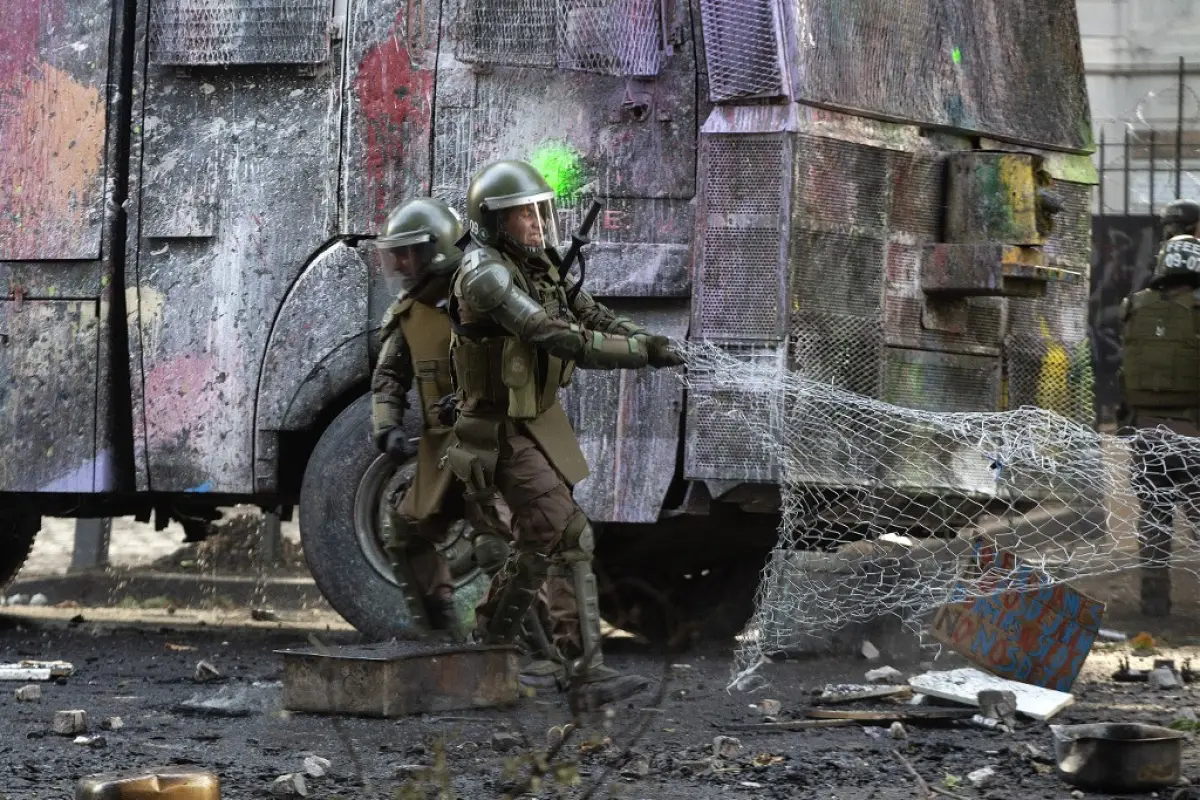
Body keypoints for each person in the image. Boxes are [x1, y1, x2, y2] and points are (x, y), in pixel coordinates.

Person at [442, 159, 685, 705]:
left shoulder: (537, 261)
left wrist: (648, 338)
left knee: (559, 538)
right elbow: (551, 333)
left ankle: (561, 661)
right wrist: (638, 354)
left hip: (536, 420)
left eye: (537, 210)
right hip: (495, 430)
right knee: (559, 528)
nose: (535, 222)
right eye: (521, 213)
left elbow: (589, 312)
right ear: (492, 221)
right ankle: (507, 650)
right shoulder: (484, 274)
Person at [370, 197, 471, 638]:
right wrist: (387, 427)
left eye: (412, 251)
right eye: (398, 253)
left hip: (496, 446)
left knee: (504, 547)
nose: (403, 262)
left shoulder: (483, 299)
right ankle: (442, 634)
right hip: (441, 448)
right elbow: (389, 375)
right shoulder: (409, 315)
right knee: (404, 532)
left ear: (438, 248)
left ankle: (544, 655)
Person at [1118, 198, 1200, 617]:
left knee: (1154, 517)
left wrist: (1127, 423)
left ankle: (1154, 602)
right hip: (1193, 433)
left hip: (1147, 431)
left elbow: (1124, 372)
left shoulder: (1134, 306)